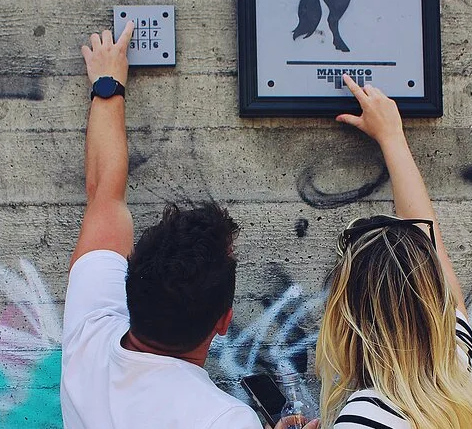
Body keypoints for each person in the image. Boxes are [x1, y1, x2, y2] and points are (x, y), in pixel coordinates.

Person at [59, 23, 320, 429]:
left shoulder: (89, 335)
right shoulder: (224, 419)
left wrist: (107, 84)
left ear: (130, 289)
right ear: (223, 322)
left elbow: (104, 194)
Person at [315, 75, 472, 428]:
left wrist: (392, 137)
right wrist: (392, 137)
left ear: (351, 318)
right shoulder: (457, 372)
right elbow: (431, 244)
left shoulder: (364, 416)